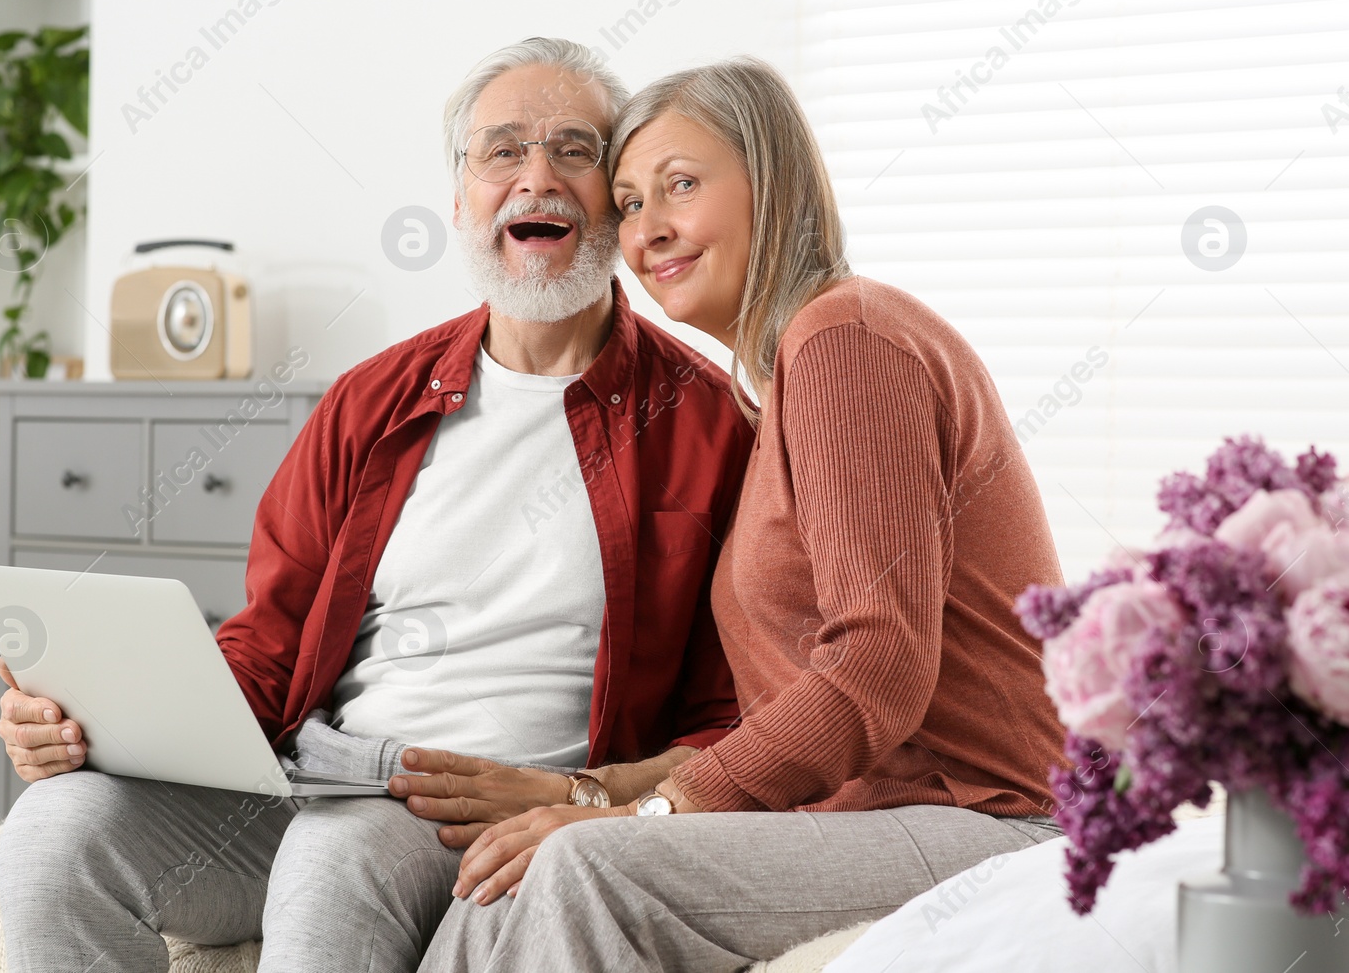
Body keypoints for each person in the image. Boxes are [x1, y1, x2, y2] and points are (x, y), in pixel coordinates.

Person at [0, 37, 755, 973]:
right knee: (53, 829)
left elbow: (732, 709)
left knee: (335, 859)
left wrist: (591, 799)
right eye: (502, 150)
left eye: (575, 149)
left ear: (620, 196)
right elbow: (270, 644)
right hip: (316, 775)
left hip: (478, 813)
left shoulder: (713, 426)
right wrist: (99, 723)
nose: (536, 177)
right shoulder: (372, 399)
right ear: (461, 197)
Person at [420, 57, 1069, 972]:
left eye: (682, 185)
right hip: (895, 811)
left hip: (988, 821)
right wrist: (601, 790)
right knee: (503, 874)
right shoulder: (785, 380)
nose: (651, 231)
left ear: (775, 181)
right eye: (632, 203)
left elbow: (878, 666)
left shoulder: (847, 342)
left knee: (584, 867)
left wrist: (651, 813)